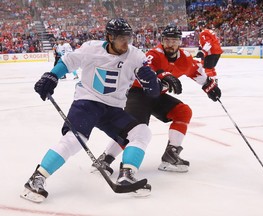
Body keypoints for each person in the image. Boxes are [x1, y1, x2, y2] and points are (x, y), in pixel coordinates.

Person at [20, 18, 167, 203]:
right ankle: (36, 179)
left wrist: (152, 84)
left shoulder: (136, 55)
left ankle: (126, 175)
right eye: (121, 37)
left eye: (128, 37)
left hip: (114, 108)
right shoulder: (92, 48)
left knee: (142, 132)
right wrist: (52, 76)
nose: (126, 42)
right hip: (87, 102)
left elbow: (152, 90)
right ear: (110, 37)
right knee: (74, 140)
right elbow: (68, 61)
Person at [91, 24, 221, 175]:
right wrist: (163, 74)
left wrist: (209, 86)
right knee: (133, 129)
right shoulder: (155, 53)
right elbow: (147, 68)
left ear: (180, 42)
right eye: (166, 40)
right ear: (162, 41)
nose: (170, 44)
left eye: (174, 41)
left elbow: (196, 72)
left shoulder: (185, 58)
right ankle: (105, 158)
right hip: (138, 93)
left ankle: (170, 155)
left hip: (157, 96)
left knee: (183, 112)